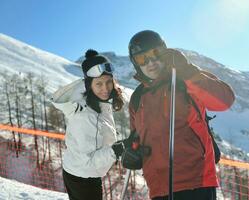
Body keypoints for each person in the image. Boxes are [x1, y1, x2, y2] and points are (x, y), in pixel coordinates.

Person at [126, 30, 235, 200]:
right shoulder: (137, 98)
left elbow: (224, 101)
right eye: (142, 58)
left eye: (155, 53)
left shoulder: (185, 79)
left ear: (165, 52)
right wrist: (131, 152)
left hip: (196, 183)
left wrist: (188, 71)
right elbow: (136, 138)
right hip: (158, 187)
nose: (150, 62)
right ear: (135, 63)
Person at [51, 49, 134, 200]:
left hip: (81, 172)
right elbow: (87, 160)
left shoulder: (99, 103)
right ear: (89, 85)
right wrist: (115, 150)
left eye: (109, 82)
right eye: (99, 84)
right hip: (82, 176)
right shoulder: (85, 115)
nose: (106, 88)